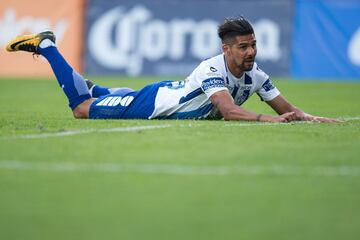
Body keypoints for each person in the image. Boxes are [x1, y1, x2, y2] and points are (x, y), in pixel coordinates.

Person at [6, 17, 337, 123]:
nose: (251, 52)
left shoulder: (257, 76)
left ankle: (96, 89)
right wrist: (269, 120)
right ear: (226, 49)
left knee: (99, 96)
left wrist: (317, 120)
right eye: (243, 46)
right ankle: (47, 46)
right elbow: (227, 109)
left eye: (253, 45)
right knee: (81, 108)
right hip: (155, 104)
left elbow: (289, 110)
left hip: (168, 89)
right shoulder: (212, 68)